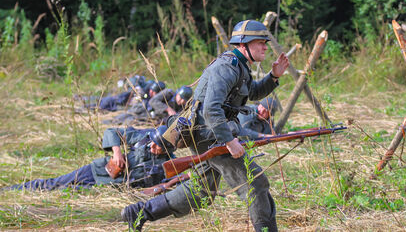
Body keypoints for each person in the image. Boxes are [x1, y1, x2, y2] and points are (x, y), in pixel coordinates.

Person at [121, 19, 289, 232]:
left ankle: (141, 212)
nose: (265, 46)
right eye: (259, 42)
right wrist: (229, 141)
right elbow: (211, 109)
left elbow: (252, 92)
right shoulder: (228, 67)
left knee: (201, 192)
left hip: (208, 134)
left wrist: (273, 76)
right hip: (212, 136)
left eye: (265, 42)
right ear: (243, 44)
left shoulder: (240, 67)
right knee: (255, 183)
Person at [5, 126, 175, 191]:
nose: (151, 146)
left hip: (112, 190)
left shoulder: (171, 164)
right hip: (99, 172)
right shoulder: (143, 137)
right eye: (152, 142)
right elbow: (111, 132)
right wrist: (117, 152)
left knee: (67, 192)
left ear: (167, 149)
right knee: (55, 184)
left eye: (157, 146)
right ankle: (12, 190)